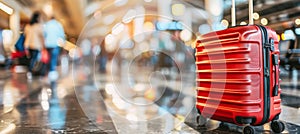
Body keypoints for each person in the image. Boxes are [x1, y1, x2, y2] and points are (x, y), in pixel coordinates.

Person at [43, 16, 65, 80]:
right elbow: (62, 35)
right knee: (53, 57)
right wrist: (63, 42)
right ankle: (52, 71)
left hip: (47, 44)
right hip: (55, 44)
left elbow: (44, 34)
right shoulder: (58, 25)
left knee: (49, 57)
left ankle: (48, 71)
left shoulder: (47, 24)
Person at [24, 11, 45, 79]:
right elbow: (42, 36)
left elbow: (25, 35)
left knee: (31, 58)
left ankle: (30, 71)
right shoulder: (39, 26)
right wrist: (43, 45)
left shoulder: (28, 26)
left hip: (28, 44)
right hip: (36, 45)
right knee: (34, 58)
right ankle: (30, 71)